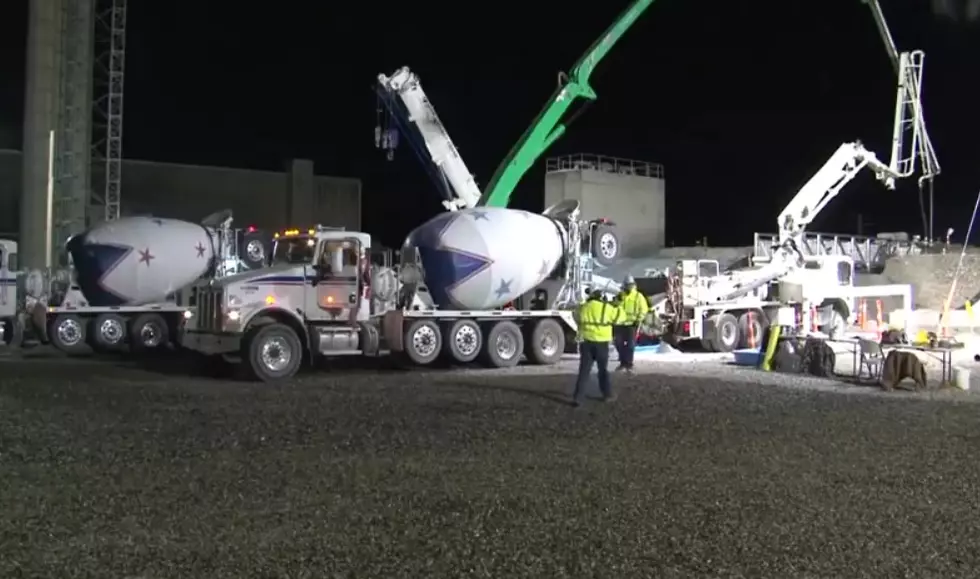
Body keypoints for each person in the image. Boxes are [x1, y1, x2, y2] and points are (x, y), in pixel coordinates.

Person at [571, 289, 624, 407]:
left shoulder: (584, 307)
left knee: (584, 371)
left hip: (586, 342)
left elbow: (575, 316)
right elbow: (620, 319)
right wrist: (618, 306)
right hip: (601, 343)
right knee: (603, 370)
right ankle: (607, 395)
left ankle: (578, 397)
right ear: (602, 298)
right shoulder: (607, 308)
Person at [613, 275, 650, 374]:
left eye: (630, 285)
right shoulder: (620, 296)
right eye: (627, 285)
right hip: (620, 324)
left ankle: (628, 364)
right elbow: (613, 307)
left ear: (633, 285)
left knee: (630, 345)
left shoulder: (638, 296)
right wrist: (618, 300)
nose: (629, 287)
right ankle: (622, 363)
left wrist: (639, 319)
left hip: (632, 324)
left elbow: (644, 309)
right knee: (618, 344)